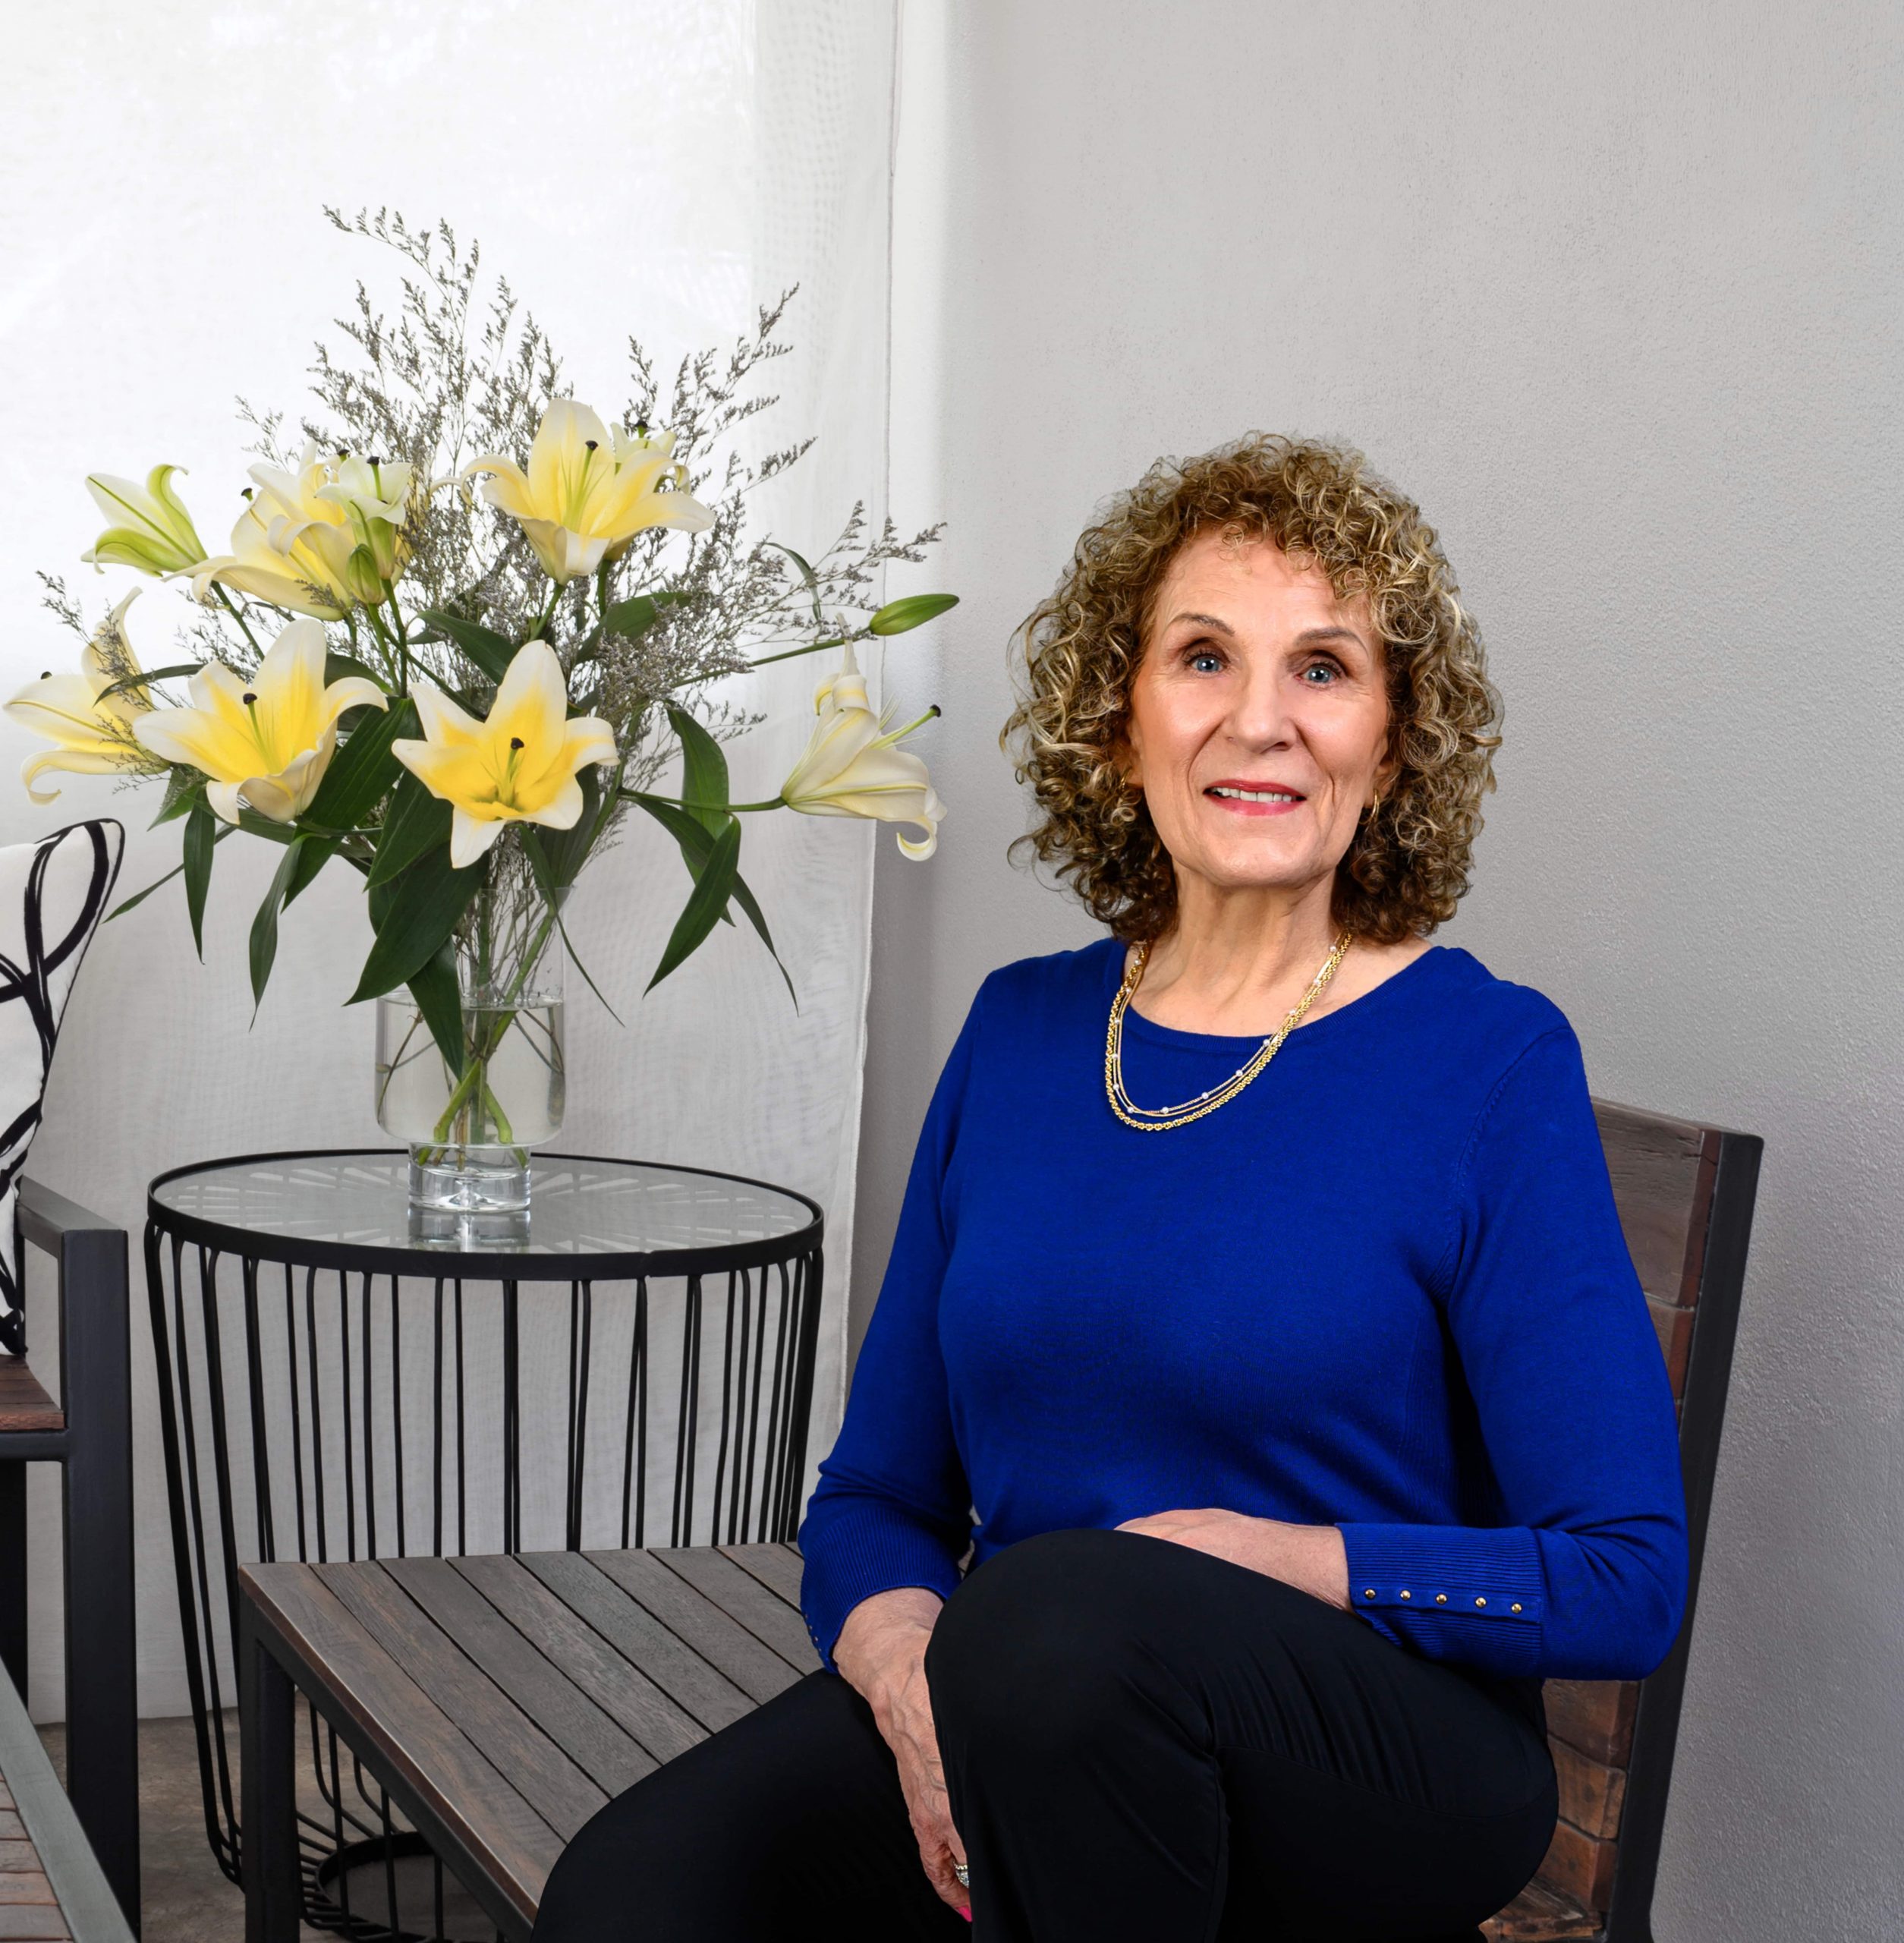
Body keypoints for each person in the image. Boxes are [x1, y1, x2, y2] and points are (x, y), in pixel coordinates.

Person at [531, 434, 1689, 1943]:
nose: (1259, 720)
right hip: (1021, 1708)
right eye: (1202, 655)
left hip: (1380, 1754)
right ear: (1120, 712)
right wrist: (903, 1688)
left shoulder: (1486, 1061)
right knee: (631, 1898)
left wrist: (1263, 1554)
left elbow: (1622, 1575)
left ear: (1394, 743)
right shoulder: (1021, 1030)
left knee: (1057, 1623)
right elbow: (879, 1494)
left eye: (1324, 668)